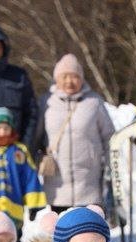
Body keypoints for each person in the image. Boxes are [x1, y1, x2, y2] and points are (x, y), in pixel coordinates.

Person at [38, 54, 115, 212]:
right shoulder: (46, 103)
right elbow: (37, 138)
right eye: (64, 76)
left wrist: (110, 166)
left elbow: (110, 137)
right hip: (57, 185)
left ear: (82, 79)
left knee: (88, 233)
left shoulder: (94, 102)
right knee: (61, 232)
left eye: (74, 77)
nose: (69, 82)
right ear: (56, 79)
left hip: (89, 184)